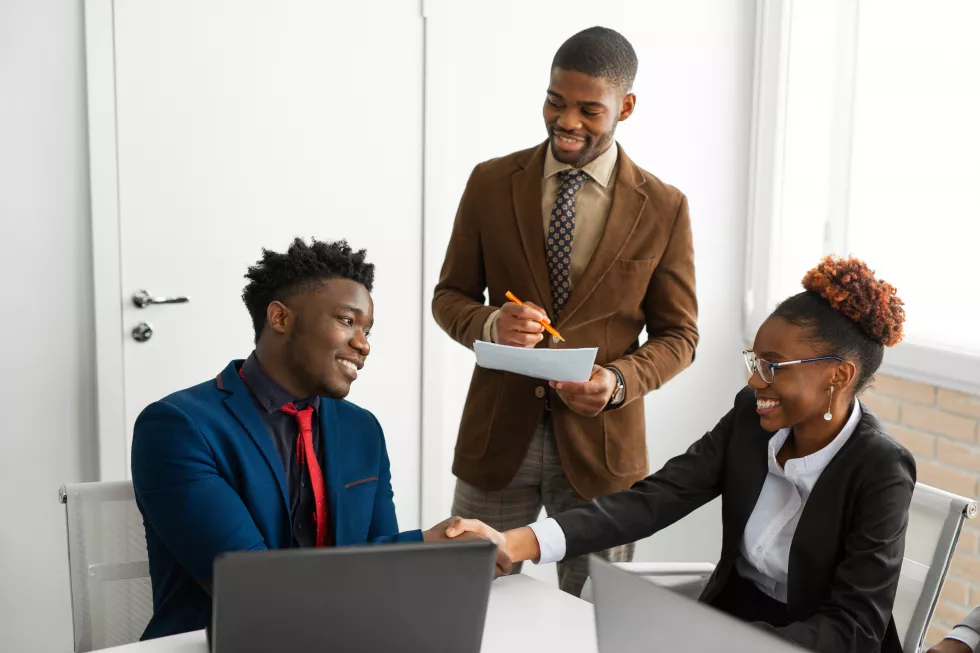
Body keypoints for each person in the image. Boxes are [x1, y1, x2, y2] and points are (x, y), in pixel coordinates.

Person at [450, 256, 915, 653]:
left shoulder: (881, 469)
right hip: (727, 626)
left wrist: (728, 643)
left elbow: (855, 627)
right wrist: (514, 542)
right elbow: (655, 498)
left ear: (838, 375)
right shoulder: (751, 418)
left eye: (772, 366)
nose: (755, 381)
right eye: (754, 361)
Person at [432, 26, 698, 597]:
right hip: (497, 440)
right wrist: (490, 324)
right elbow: (448, 296)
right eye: (555, 101)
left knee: (596, 612)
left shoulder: (665, 207)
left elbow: (680, 335)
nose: (567, 120)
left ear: (625, 106)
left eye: (588, 109)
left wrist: (619, 381)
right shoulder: (491, 182)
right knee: (469, 596)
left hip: (603, 453)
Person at [132, 238, 510, 640]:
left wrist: (438, 558)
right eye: (347, 321)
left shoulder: (362, 429)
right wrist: (422, 548)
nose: (363, 344)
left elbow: (381, 562)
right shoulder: (178, 427)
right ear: (279, 318)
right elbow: (250, 594)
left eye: (367, 330)